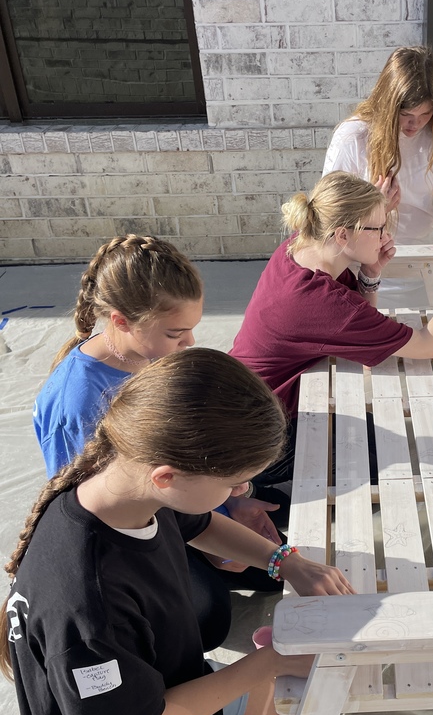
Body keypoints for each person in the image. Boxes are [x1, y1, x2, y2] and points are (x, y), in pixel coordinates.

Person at [1, 350, 352, 715]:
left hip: (148, 692)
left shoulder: (127, 485)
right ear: (169, 475)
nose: (244, 487)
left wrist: (283, 562)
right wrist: (273, 657)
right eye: (235, 479)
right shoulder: (88, 601)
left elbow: (202, 522)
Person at [32, 234, 286, 650]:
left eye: (191, 330)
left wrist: (233, 499)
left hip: (182, 500)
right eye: (175, 333)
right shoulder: (77, 406)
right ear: (121, 322)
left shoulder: (153, 357)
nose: (189, 344)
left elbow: (190, 453)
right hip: (140, 527)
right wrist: (209, 531)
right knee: (207, 616)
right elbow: (102, 511)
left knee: (272, 558)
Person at [230, 171, 433, 485]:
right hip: (257, 441)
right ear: (342, 235)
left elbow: (356, 322)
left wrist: (370, 274)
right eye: (378, 228)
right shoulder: (322, 302)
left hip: (245, 405)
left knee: (371, 434)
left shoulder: (301, 248)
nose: (386, 237)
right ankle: (264, 501)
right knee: (376, 457)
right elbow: (427, 346)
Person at [322, 45, 433, 247]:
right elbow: (327, 214)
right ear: (387, 106)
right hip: (359, 259)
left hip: (422, 256)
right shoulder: (353, 136)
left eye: (425, 114)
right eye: (405, 114)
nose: (415, 124)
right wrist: (375, 208)